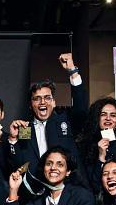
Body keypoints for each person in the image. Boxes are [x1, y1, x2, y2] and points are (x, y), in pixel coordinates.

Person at [6, 52, 89, 196]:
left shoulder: (66, 121)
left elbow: (81, 108)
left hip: (69, 191)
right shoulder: (26, 129)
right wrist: (13, 140)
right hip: (37, 194)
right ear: (31, 105)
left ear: (54, 102)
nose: (42, 102)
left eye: (47, 98)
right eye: (37, 99)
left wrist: (72, 70)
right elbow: (20, 162)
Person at [77, 46, 116, 193]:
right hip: (101, 201)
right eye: (103, 114)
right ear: (97, 118)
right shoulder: (89, 142)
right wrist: (101, 156)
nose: (108, 118)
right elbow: (91, 181)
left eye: (113, 115)